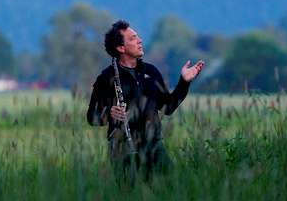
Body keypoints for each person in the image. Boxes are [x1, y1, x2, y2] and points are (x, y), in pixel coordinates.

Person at [86, 20, 204, 182]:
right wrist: (108, 114)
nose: (140, 40)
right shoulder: (106, 78)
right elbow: (92, 117)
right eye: (133, 38)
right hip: (121, 150)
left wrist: (184, 82)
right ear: (121, 48)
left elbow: (168, 107)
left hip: (154, 146)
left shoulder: (151, 72)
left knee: (172, 191)